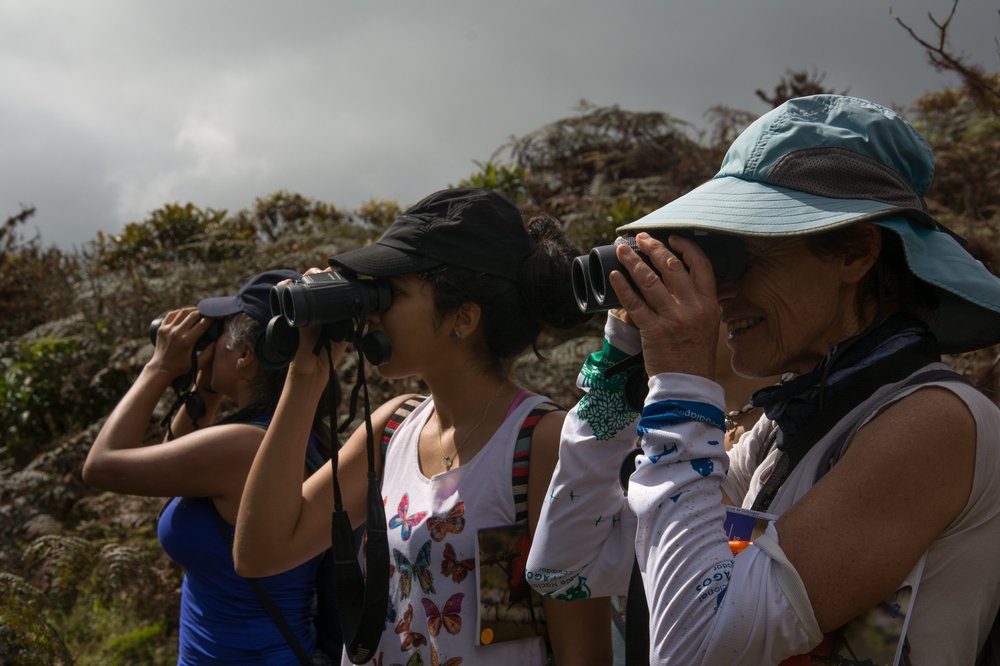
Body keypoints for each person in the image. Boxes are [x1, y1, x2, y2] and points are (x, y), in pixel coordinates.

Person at [525, 94, 1000, 664]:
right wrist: (618, 368)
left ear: (854, 253)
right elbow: (563, 570)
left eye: (738, 254)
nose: (721, 291)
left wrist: (680, 382)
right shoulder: (785, 429)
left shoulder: (934, 423)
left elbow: (695, 648)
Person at [233, 188, 613, 665]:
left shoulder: (541, 443)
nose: (372, 309)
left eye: (393, 292)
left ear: (463, 317)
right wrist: (305, 377)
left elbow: (585, 653)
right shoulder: (391, 428)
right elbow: (260, 552)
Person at [83, 269, 337, 665]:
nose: (208, 345)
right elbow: (173, 469)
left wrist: (159, 367)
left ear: (245, 358)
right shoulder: (299, 438)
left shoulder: (242, 448)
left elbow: (101, 465)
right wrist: (203, 390)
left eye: (217, 336)